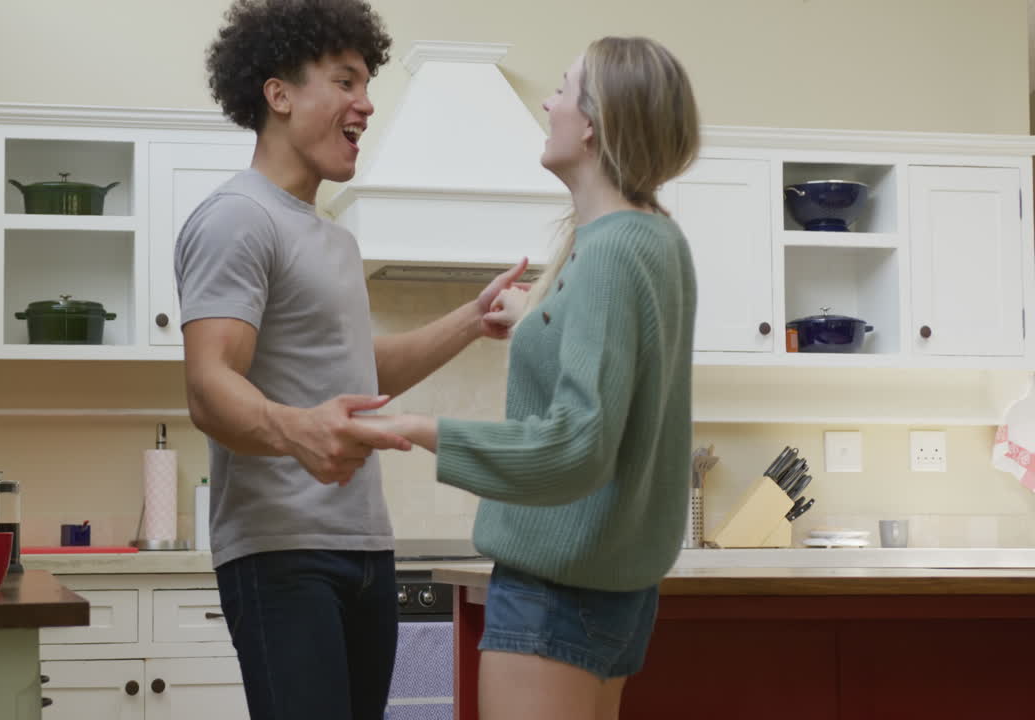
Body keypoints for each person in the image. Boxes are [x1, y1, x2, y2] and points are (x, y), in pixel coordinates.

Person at [173, 1, 527, 719]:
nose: (365, 104)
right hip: (282, 550)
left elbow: (360, 371)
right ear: (279, 94)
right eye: (344, 81)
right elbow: (209, 385)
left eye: (366, 84)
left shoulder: (333, 238)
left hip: (364, 546)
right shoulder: (238, 217)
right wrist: (296, 430)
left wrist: (471, 319)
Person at [357, 36, 701, 720]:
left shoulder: (608, 254)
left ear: (594, 121)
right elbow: (609, 358)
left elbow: (576, 444)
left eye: (563, 88)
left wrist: (415, 427)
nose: (548, 103)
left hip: (555, 594)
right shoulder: (654, 239)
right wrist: (533, 314)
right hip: (612, 596)